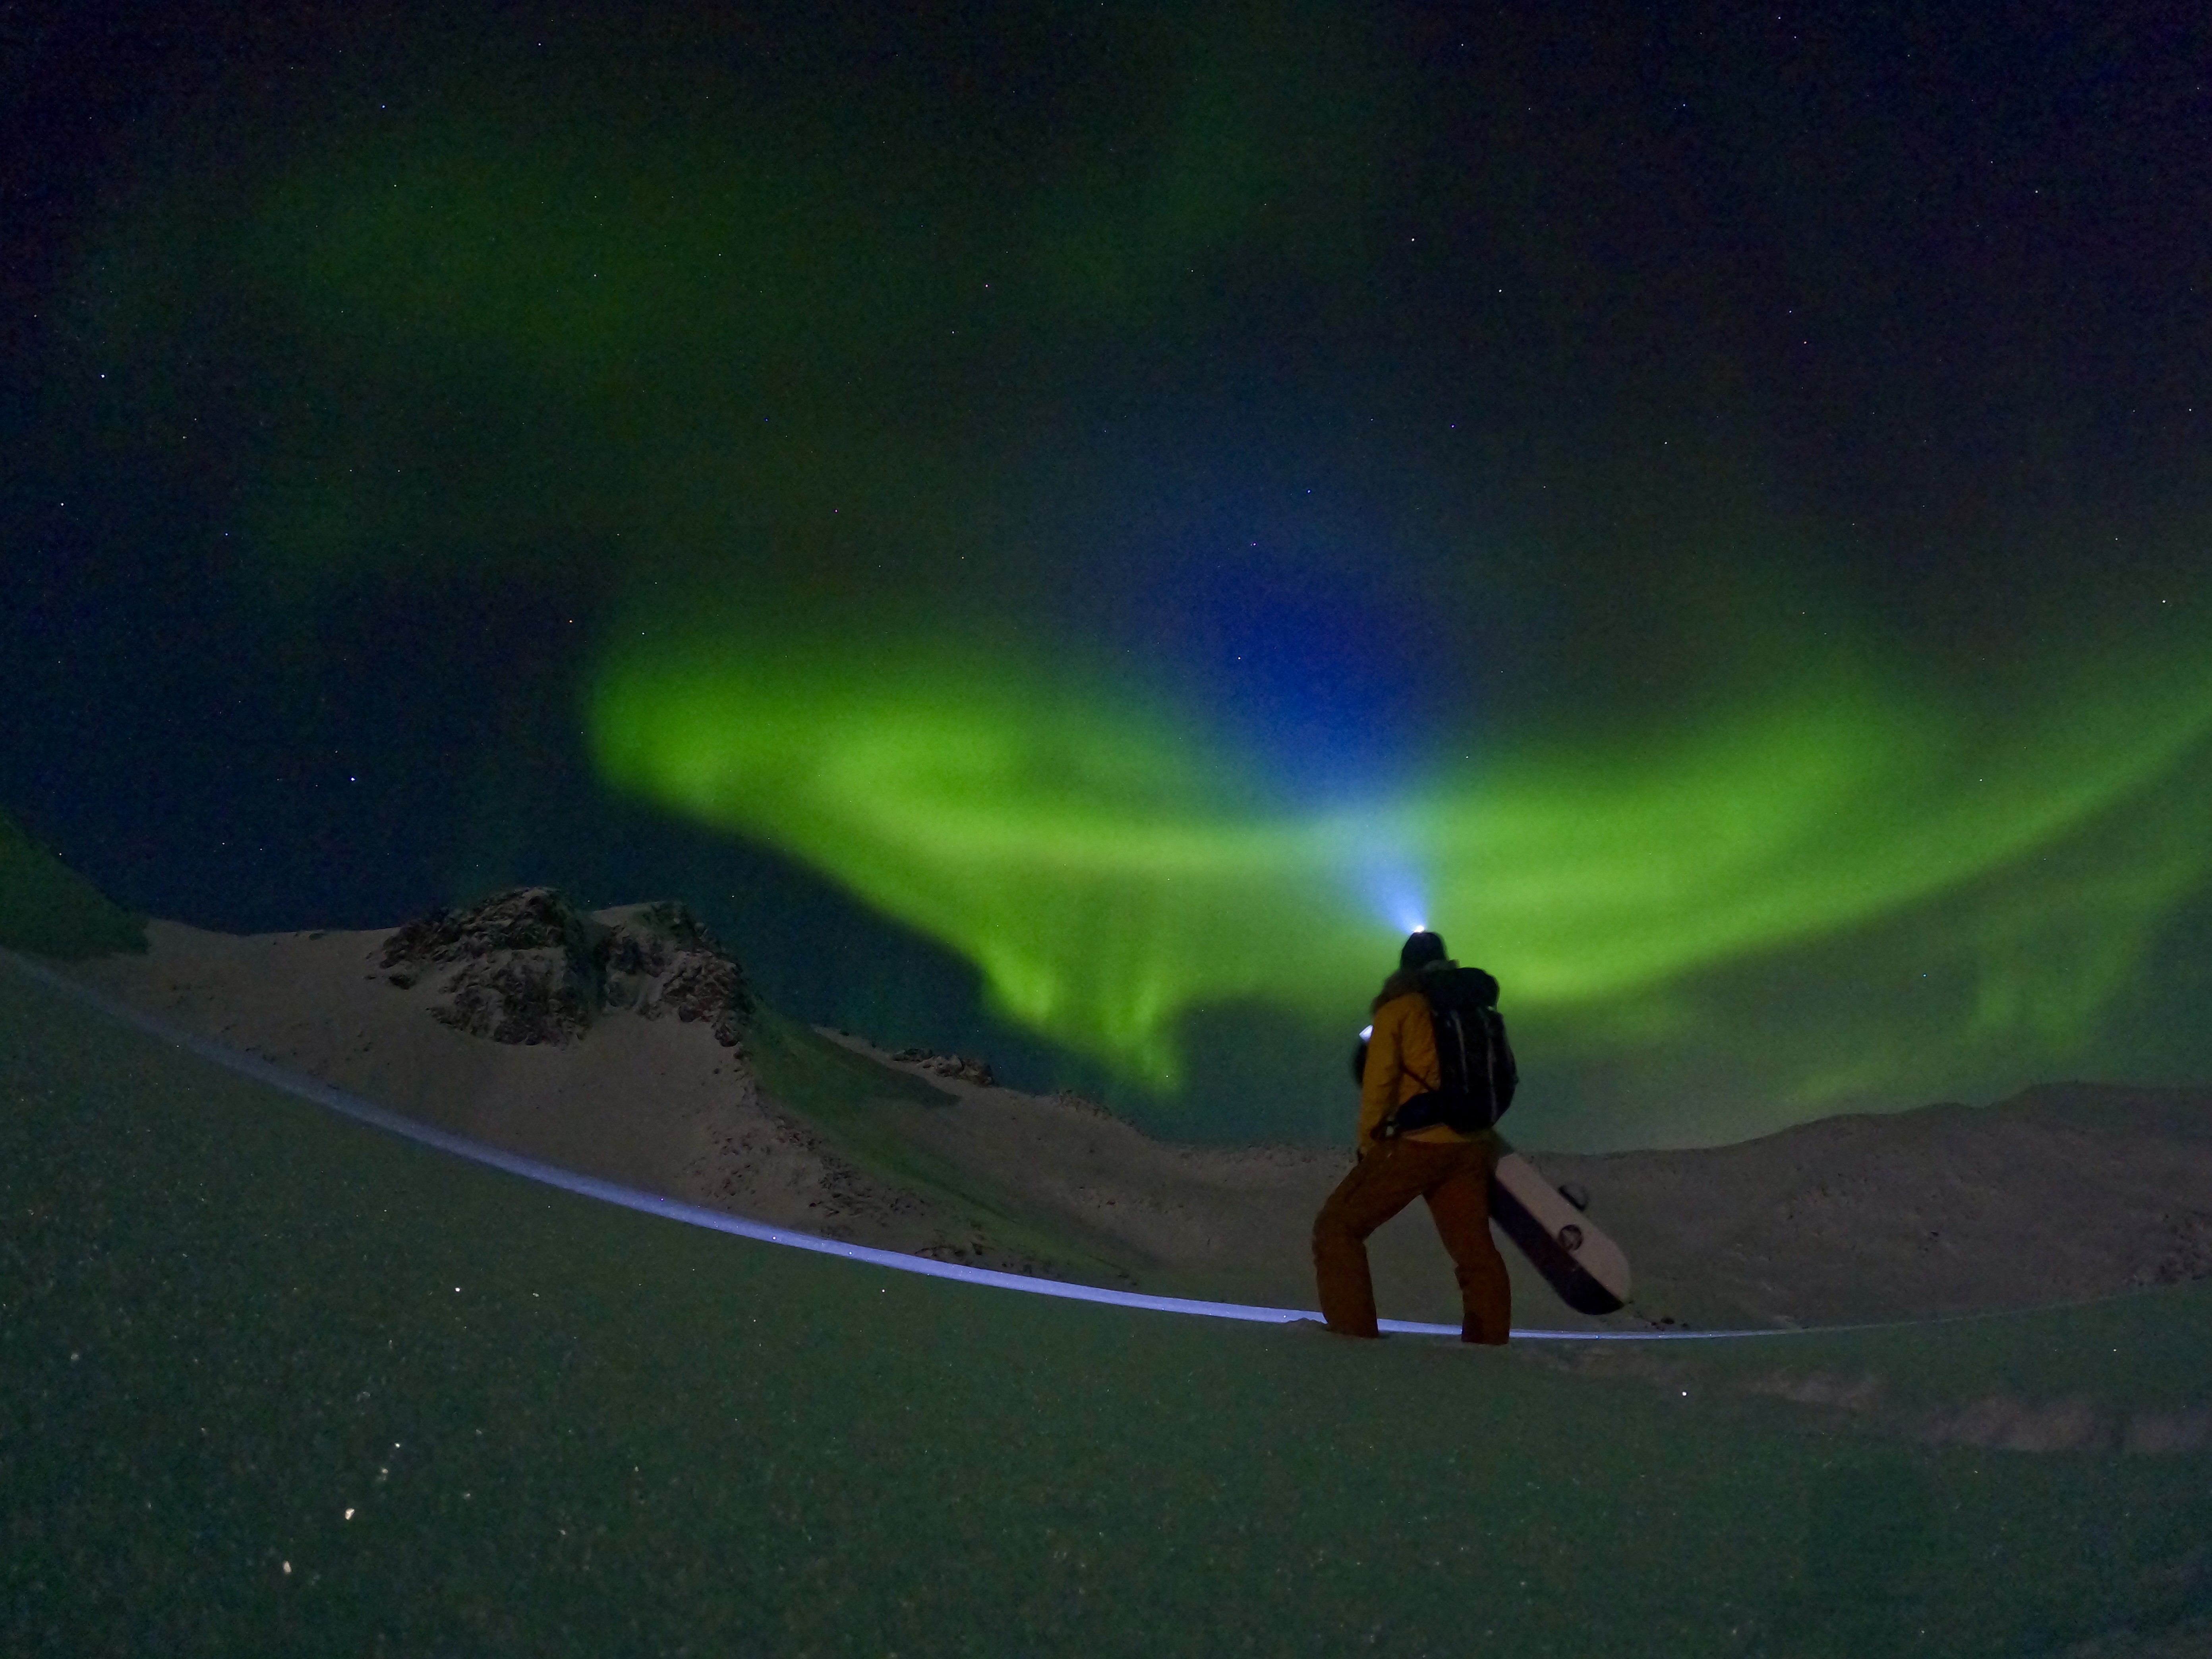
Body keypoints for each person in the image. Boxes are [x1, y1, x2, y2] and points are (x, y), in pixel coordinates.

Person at [1311, 930, 1514, 1343]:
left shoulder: (1399, 1010)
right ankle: (1489, 1347)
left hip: (1420, 1143)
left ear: (1405, 967)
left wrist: (1370, 1145)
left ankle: (1352, 1341)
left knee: (1337, 1228)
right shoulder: (1473, 1007)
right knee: (1475, 1253)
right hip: (1470, 1145)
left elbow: (1379, 1082)